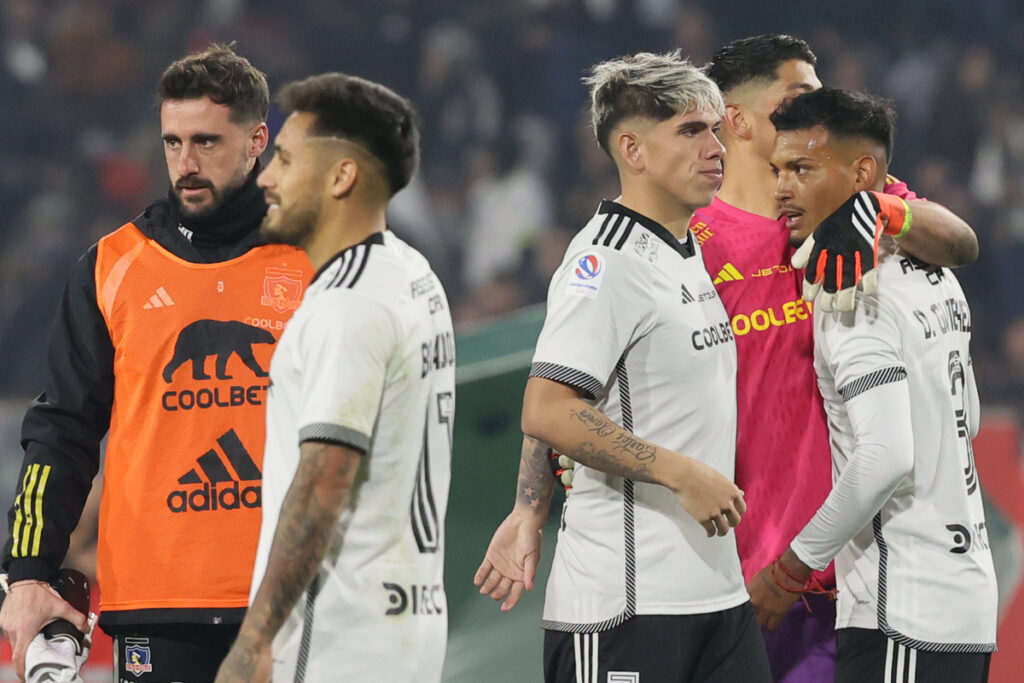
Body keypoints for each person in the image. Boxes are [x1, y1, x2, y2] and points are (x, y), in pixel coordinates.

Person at [0, 44, 313, 682]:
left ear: (258, 139)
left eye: (206, 141)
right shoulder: (112, 267)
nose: (186, 163)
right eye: (172, 143)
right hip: (159, 605)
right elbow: (62, 431)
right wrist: (29, 570)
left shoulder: (322, 258)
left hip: (300, 596)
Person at [690, 34, 980, 681]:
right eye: (798, 98)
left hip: (839, 573)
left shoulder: (852, 213)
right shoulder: (694, 243)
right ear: (735, 119)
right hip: (741, 577)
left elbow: (960, 242)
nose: (818, 112)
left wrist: (887, 209)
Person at [474, 51, 771, 682]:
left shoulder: (684, 247)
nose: (715, 147)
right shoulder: (606, 262)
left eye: (715, 130)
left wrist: (530, 507)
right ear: (632, 149)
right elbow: (548, 405)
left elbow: (570, 378)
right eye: (691, 131)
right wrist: (680, 472)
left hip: (716, 596)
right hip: (629, 605)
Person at [749, 86, 998, 683]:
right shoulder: (933, 270)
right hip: (965, 601)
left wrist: (788, 572)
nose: (782, 188)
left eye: (801, 169)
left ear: (863, 173)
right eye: (777, 170)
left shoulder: (848, 290)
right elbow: (970, 418)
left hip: (900, 608)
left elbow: (885, 456)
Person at [215, 73, 453, 683]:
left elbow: (323, 481)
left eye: (286, 160)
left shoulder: (347, 305)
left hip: (337, 637)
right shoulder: (412, 274)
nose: (266, 177)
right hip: (408, 624)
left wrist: (255, 639)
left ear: (341, 176)